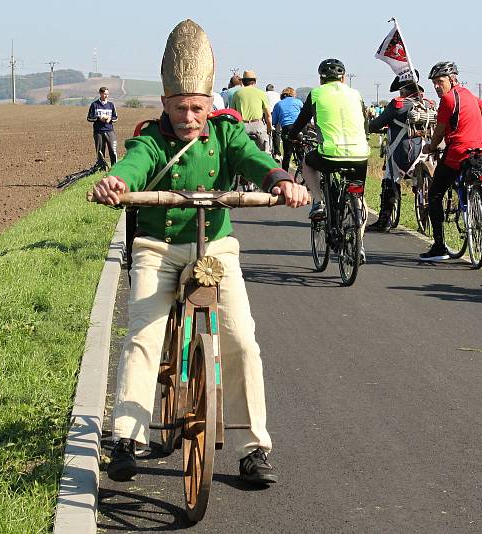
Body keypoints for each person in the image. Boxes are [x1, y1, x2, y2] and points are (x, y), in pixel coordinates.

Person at [90, 19, 309, 485]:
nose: (188, 117)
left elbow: (255, 159)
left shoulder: (226, 134)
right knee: (144, 336)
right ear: (164, 103)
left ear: (211, 105)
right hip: (157, 247)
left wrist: (281, 180)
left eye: (197, 108)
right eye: (179, 108)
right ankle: (127, 437)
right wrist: (118, 182)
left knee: (241, 340)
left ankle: (255, 448)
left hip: (218, 250)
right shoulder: (152, 137)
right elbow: (134, 162)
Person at [288, 58, 370, 260]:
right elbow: (365, 123)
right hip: (360, 154)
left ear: (321, 79)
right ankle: (359, 244)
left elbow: (302, 121)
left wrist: (291, 135)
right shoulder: (356, 94)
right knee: (359, 198)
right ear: (343, 77)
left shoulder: (316, 93)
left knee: (307, 162)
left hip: (330, 153)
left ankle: (319, 201)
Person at [420, 61, 482, 260]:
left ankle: (439, 247)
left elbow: (440, 131)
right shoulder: (468, 94)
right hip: (478, 152)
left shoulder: (448, 100)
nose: (436, 86)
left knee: (434, 194)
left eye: (440, 81)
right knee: (477, 184)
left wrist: (431, 147)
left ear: (451, 79)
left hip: (457, 152)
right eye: (434, 82)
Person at [366, 73, 428, 232]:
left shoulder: (398, 104)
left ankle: (384, 221)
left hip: (400, 150)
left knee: (389, 179)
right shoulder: (428, 104)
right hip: (423, 150)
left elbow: (374, 125)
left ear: (403, 91)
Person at [231, 70, 273, 154]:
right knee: (265, 152)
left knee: (240, 152)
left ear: (242, 81)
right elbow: (268, 115)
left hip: (243, 126)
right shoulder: (261, 93)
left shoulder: (237, 94)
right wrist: (269, 128)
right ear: (255, 81)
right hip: (258, 126)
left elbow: (233, 114)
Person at [271, 87, 304, 172]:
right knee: (300, 151)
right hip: (299, 127)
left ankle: (285, 176)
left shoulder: (278, 104)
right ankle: (304, 168)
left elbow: (274, 121)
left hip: (287, 128)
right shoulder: (298, 102)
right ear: (293, 95)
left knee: (287, 154)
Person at [87, 86, 118, 167]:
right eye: (104, 94)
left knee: (112, 149)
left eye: (107, 94)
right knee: (100, 151)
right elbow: (89, 118)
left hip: (109, 130)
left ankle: (114, 167)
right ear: (100, 94)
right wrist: (98, 118)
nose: (106, 96)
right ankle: (102, 168)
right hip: (98, 132)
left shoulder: (111, 105)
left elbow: (116, 118)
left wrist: (110, 119)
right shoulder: (94, 105)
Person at [265, 84, 282, 157]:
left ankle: (267, 150)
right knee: (277, 133)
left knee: (266, 132)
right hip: (276, 113)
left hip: (267, 113)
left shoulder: (264, 94)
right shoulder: (277, 94)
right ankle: (277, 153)